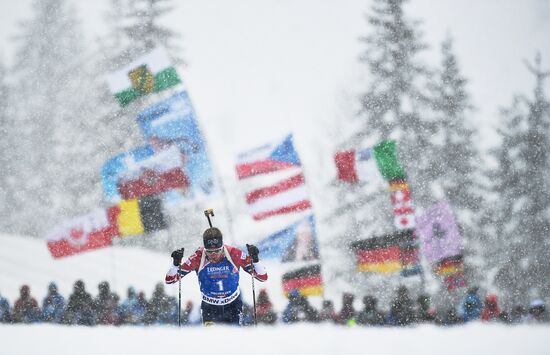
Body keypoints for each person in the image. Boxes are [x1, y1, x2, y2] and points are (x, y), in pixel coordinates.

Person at [165, 227, 267, 326]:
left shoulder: (233, 253)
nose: (213, 255)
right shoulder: (198, 257)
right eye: (209, 252)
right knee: (212, 341)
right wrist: (175, 264)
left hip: (233, 306)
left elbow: (263, 277)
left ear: (222, 247)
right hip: (210, 308)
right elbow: (170, 279)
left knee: (234, 340)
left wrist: (256, 260)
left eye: (217, 251)